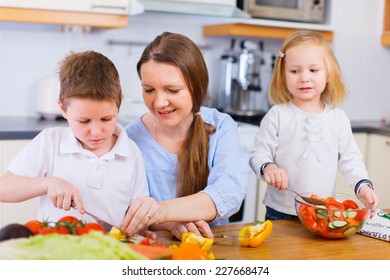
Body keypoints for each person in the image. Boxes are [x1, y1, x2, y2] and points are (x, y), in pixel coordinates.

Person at [0, 50, 150, 230]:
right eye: (84, 121)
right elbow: (4, 188)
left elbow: (137, 213)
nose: (96, 132)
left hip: (108, 252)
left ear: (120, 102)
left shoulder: (131, 152)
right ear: (62, 109)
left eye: (106, 119)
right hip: (55, 251)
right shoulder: (49, 142)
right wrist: (47, 183)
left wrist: (143, 228)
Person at [123, 32, 248, 239]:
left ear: (196, 87)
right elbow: (126, 213)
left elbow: (228, 193)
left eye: (172, 90)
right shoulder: (129, 140)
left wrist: (160, 211)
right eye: (149, 90)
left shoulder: (221, 126)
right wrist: (169, 223)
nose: (159, 102)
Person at [249, 30, 378, 220]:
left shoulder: (338, 118)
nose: (304, 78)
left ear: (328, 74)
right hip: (281, 212)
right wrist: (269, 167)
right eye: (294, 71)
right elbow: (258, 155)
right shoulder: (277, 115)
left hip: (322, 210)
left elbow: (351, 160)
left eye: (313, 70)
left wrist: (363, 186)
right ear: (283, 76)